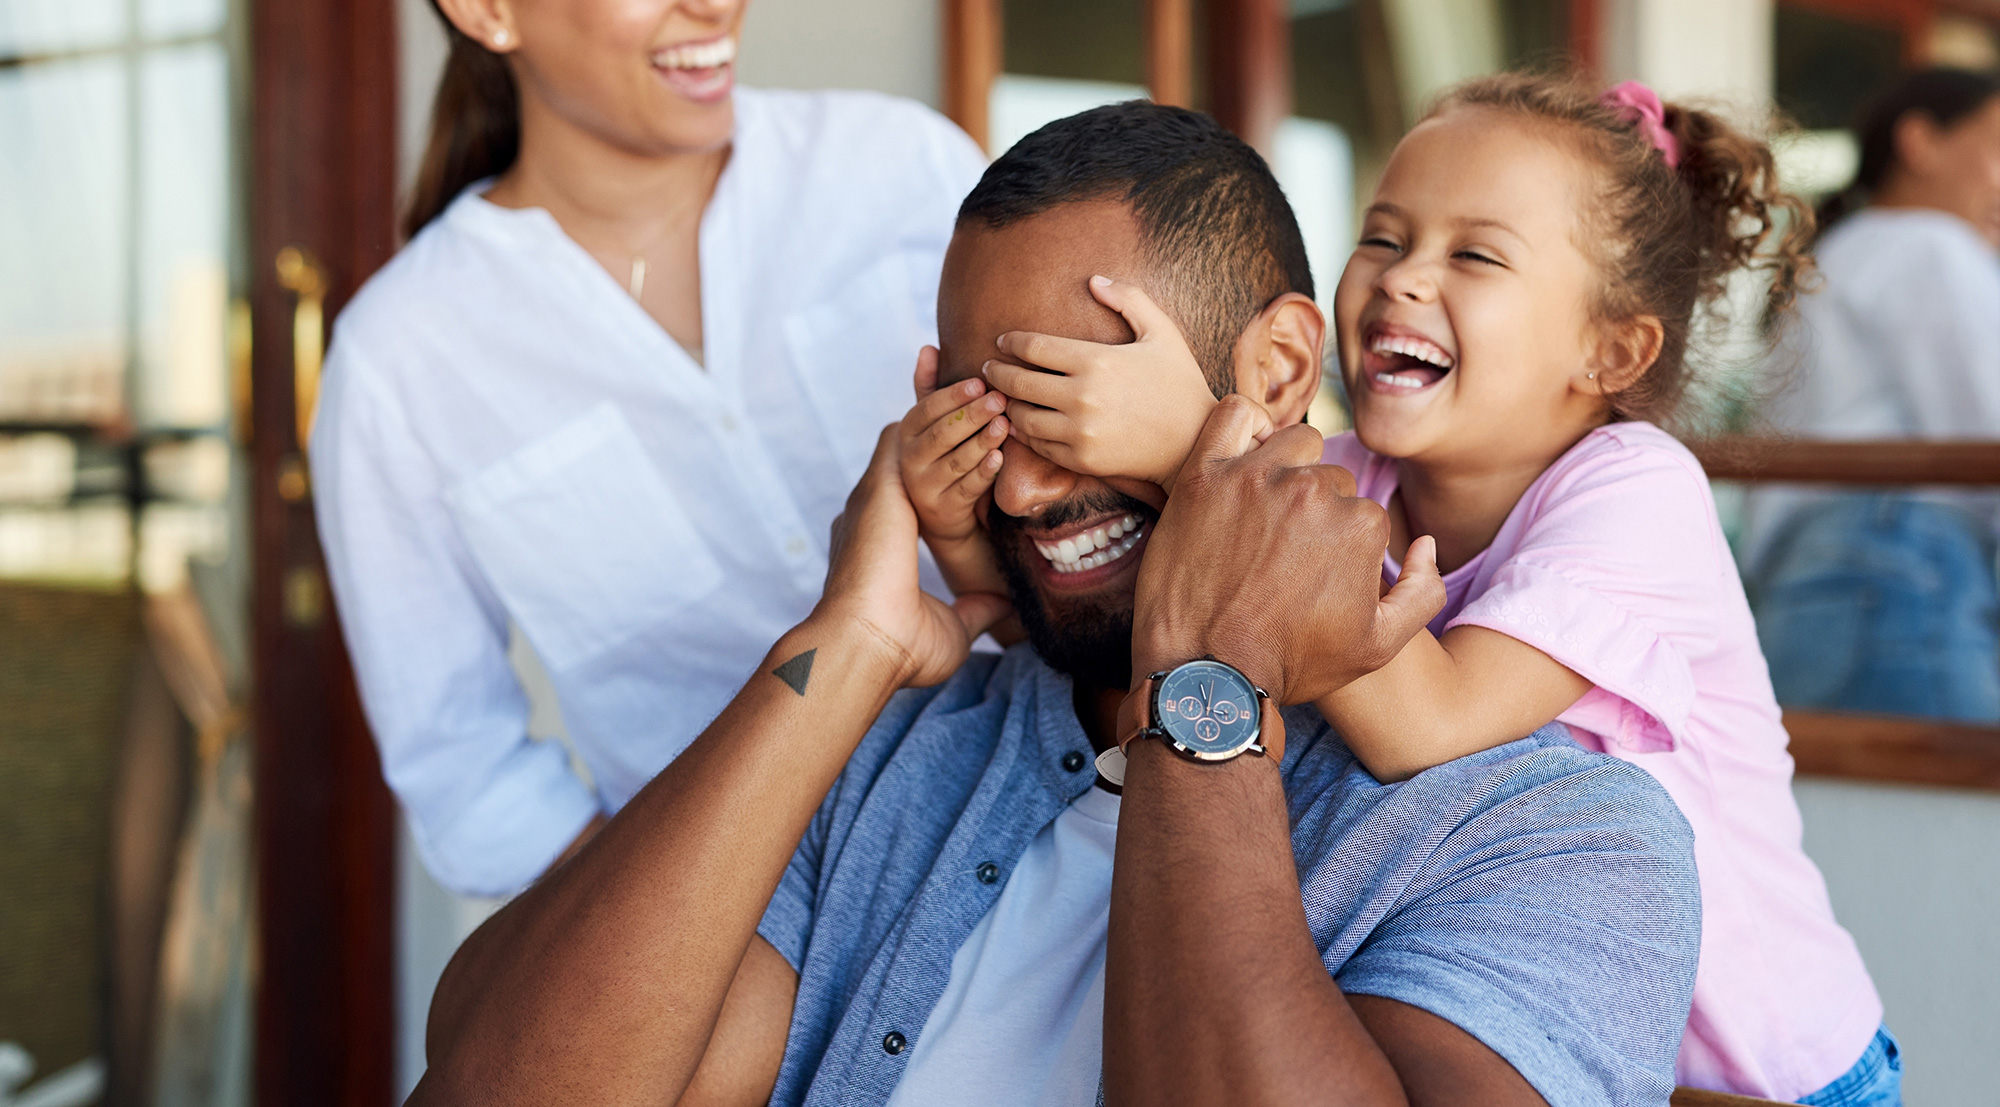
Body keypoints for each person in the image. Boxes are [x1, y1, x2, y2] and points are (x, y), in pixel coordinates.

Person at [411, 103, 1702, 1107]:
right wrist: (842, 648)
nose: (1023, 487)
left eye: (1067, 406)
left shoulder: (1553, 836)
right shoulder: (888, 753)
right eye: (982, 416)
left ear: (1275, 370)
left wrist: (1207, 682)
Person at [963, 83, 1895, 1103]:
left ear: (1609, 351)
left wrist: (1192, 443)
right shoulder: (1346, 477)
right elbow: (1154, 595)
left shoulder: (1638, 493)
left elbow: (1427, 723)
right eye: (1383, 236)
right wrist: (966, 545)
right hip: (1531, 1024)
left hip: (1777, 1072)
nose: (1403, 277)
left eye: (1474, 255)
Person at [312, 0, 986, 894]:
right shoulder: (403, 360)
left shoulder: (900, 173)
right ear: (482, 1)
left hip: (1060, 839)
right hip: (738, 933)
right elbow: (464, 769)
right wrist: (684, 939)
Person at [1743, 67, 2000, 721]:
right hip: (1902, 566)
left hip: (1804, 581)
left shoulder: (1837, 253)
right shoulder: (1931, 243)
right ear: (1921, 141)